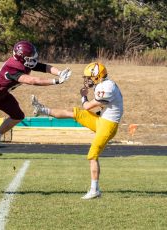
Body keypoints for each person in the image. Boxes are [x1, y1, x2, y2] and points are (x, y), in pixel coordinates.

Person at [31, 62, 123, 200]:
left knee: (92, 156)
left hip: (107, 126)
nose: (87, 80)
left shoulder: (106, 87)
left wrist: (83, 96)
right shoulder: (105, 84)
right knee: (73, 112)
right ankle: (42, 110)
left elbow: (87, 106)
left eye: (89, 77)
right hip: (102, 120)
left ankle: (94, 190)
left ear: (97, 76)